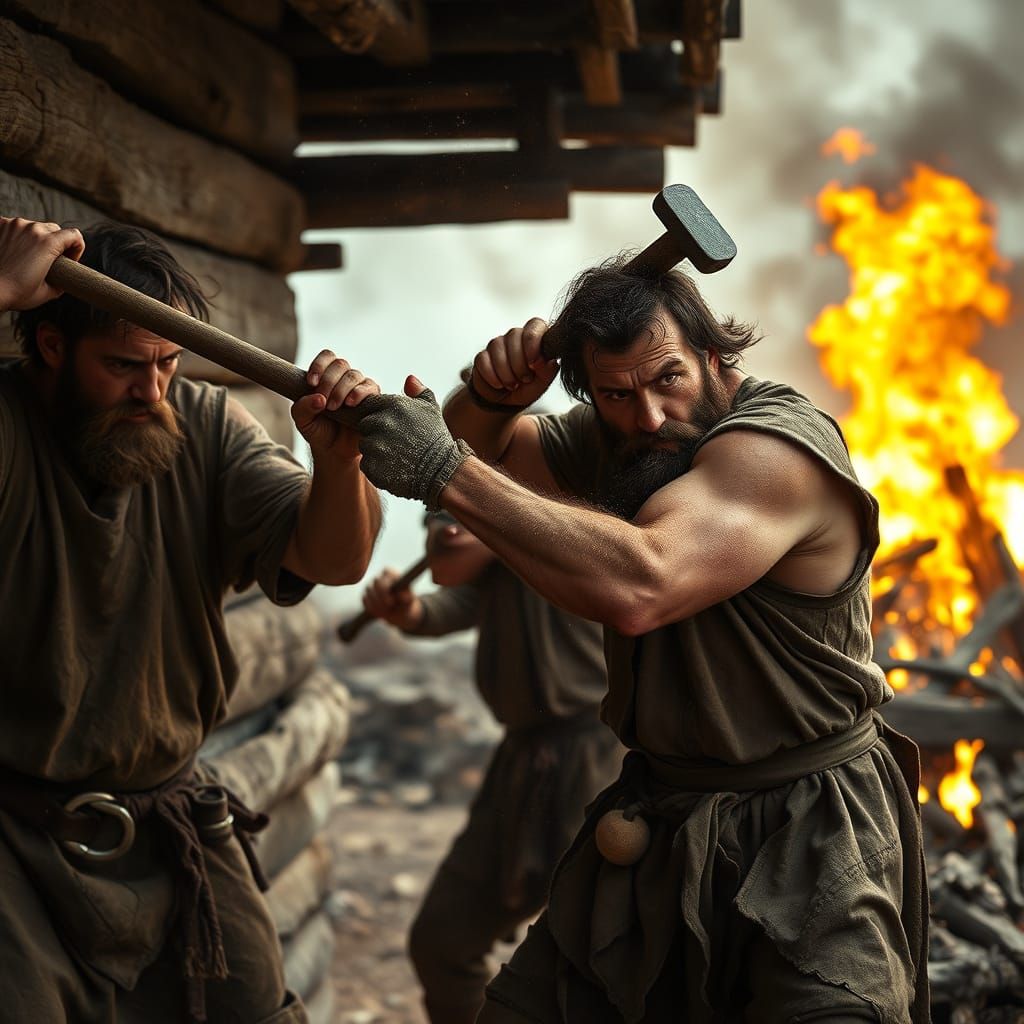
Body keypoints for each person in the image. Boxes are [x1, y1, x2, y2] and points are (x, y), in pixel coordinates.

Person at [352, 255, 929, 1023]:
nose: (650, 416)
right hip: (663, 815)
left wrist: (443, 468)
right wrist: (490, 396)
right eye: (618, 394)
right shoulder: (620, 444)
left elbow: (642, 584)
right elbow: (487, 452)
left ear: (713, 356)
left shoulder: (777, 449)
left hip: (807, 827)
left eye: (669, 379)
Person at [0, 216, 382, 1023]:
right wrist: (0, 288)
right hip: (14, 840)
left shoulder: (204, 425)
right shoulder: (7, 429)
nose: (152, 391)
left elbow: (335, 559)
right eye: (123, 366)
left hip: (170, 821)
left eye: (167, 362)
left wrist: (338, 460)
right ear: (51, 347)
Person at [360, 512, 622, 1024]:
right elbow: (453, 580)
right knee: (443, 940)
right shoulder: (481, 526)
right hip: (522, 762)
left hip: (599, 759)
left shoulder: (569, 500)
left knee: (598, 952)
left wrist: (494, 527)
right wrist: (412, 610)